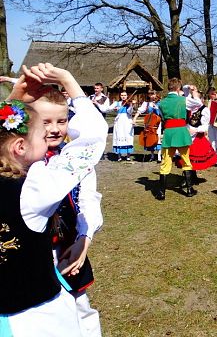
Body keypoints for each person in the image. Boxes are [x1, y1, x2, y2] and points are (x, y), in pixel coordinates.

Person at [0, 63, 107, 336]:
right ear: (20, 146)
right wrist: (70, 82)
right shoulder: (35, 185)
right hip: (36, 314)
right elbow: (91, 141)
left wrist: (13, 102)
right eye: (40, 129)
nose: (50, 133)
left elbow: (88, 198)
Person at [32, 88, 103, 337]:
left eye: (61, 121)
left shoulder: (74, 158)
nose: (54, 129)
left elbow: (88, 200)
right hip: (32, 252)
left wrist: (84, 239)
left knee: (80, 308)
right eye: (45, 122)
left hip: (69, 247)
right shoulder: (22, 162)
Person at [156, 78, 202, 199]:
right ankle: (189, 190)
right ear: (177, 88)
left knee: (165, 162)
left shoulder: (161, 103)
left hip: (169, 133)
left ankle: (161, 192)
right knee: (186, 160)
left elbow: (163, 117)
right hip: (181, 132)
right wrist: (193, 93)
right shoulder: (183, 100)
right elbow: (198, 104)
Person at [176, 87, 217, 174]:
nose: (193, 100)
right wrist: (190, 88)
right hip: (186, 135)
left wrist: (195, 130)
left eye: (196, 99)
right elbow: (184, 91)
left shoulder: (204, 110)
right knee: (185, 157)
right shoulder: (189, 108)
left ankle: (190, 178)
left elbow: (206, 126)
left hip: (197, 137)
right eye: (193, 99)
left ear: (201, 100)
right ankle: (190, 177)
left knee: (193, 158)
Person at [132, 90, 162, 162]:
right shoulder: (146, 103)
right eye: (150, 94)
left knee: (158, 137)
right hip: (149, 123)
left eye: (153, 94)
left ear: (156, 94)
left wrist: (157, 107)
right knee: (149, 138)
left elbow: (162, 113)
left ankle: (159, 155)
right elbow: (140, 111)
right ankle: (152, 155)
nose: (152, 96)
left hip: (157, 123)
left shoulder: (160, 103)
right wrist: (134, 119)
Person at [107, 91, 134, 162]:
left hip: (127, 121)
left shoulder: (128, 103)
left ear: (127, 96)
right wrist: (114, 109)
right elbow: (109, 108)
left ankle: (128, 156)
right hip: (119, 121)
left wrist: (131, 105)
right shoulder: (117, 103)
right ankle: (119, 156)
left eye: (124, 95)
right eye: (122, 95)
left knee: (128, 136)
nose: (123, 96)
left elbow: (130, 112)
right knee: (119, 135)